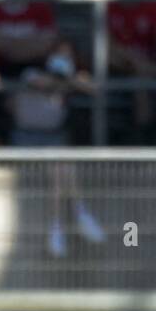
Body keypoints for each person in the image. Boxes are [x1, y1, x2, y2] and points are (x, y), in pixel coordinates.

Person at [10, 39, 104, 257]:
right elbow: (41, 83)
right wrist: (65, 80)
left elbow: (95, 89)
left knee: (61, 166)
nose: (62, 60)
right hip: (27, 138)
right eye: (58, 55)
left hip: (54, 140)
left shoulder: (71, 78)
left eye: (66, 56)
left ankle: (65, 222)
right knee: (58, 165)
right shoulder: (31, 73)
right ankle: (75, 215)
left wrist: (72, 78)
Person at [107, 0, 156, 141]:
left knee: (141, 78)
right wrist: (134, 60)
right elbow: (106, 45)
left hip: (148, 68)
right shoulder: (108, 5)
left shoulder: (154, 5)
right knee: (116, 58)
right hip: (116, 66)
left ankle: (145, 131)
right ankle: (144, 132)